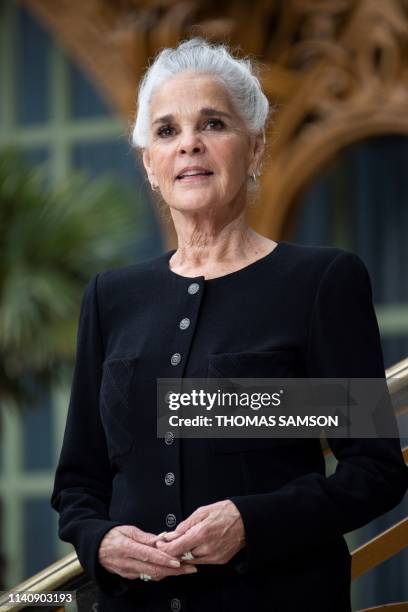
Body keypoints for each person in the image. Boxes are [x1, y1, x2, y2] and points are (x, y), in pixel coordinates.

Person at [50, 38, 408, 612]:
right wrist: (102, 541)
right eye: (166, 132)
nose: (188, 142)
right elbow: (79, 483)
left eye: (212, 123)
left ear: (255, 147)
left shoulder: (319, 282)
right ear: (149, 163)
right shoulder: (111, 298)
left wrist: (252, 521)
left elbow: (374, 470)